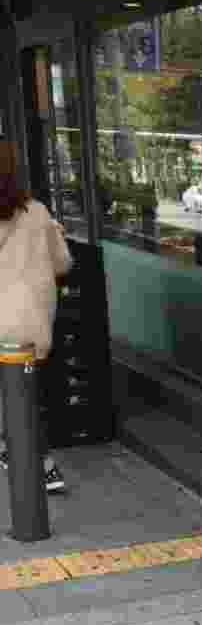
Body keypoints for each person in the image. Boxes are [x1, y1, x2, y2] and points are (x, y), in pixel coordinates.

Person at [0, 141, 71, 493]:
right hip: (31, 323)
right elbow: (63, 263)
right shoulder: (38, 213)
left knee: (11, 397)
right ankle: (41, 465)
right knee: (26, 398)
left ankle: (37, 462)